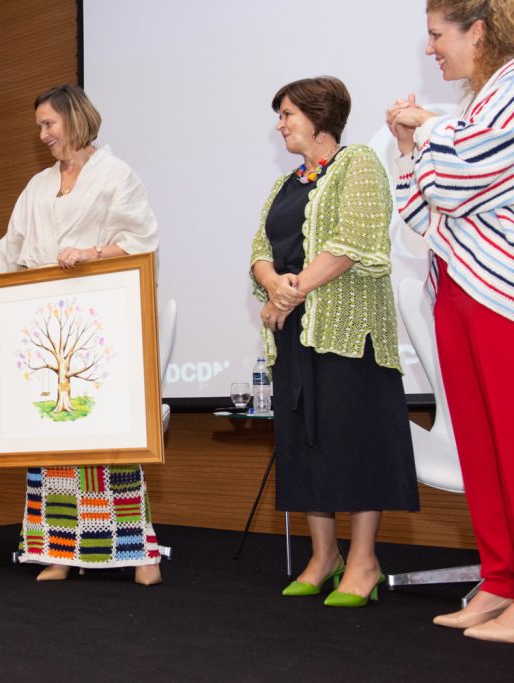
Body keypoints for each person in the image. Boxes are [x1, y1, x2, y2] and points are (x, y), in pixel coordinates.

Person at [0, 84, 163, 586]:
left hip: (100, 323)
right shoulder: (37, 186)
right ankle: (60, 551)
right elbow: (6, 256)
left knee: (111, 440)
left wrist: (91, 252)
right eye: (39, 126)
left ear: (76, 120)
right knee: (53, 441)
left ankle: (138, 551)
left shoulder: (115, 175)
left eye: (48, 124)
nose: (42, 135)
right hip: (45, 325)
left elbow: (142, 242)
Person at [250, 76, 419, 607]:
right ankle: (324, 558)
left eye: (287, 114)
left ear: (319, 116)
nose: (280, 125)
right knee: (306, 445)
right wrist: (273, 283)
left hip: (351, 335)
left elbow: (353, 243)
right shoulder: (287, 184)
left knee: (356, 443)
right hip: (297, 335)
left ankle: (364, 561)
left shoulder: (360, 163)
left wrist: (290, 290)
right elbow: (259, 246)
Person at [387, 0, 514, 641]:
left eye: (438, 35)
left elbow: (464, 180)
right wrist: (414, 144)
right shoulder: (470, 109)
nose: (431, 48)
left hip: (501, 296)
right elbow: (420, 214)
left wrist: (429, 127)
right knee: (481, 447)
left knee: (511, 445)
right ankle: (499, 581)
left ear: (479, 31)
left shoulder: (511, 94)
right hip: (456, 290)